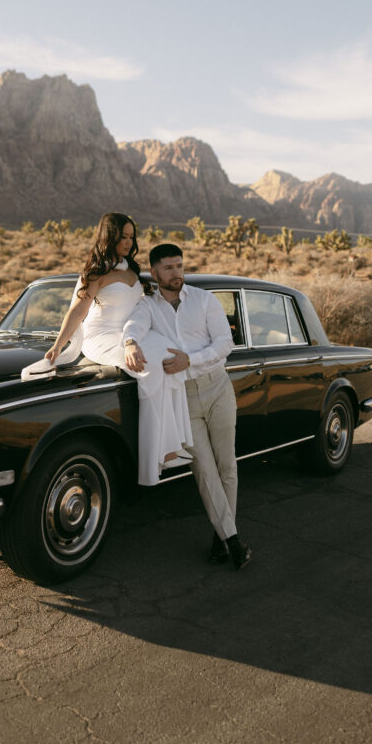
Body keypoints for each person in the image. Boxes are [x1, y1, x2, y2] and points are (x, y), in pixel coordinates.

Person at [122, 243, 252, 570]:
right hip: (183, 398)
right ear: (155, 272)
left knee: (227, 467)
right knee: (203, 471)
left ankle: (221, 535)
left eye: (179, 266)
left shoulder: (204, 300)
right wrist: (129, 343)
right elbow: (131, 328)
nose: (176, 273)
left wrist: (189, 360)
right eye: (168, 268)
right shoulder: (147, 307)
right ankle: (233, 541)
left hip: (218, 387)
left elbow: (225, 344)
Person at [44, 213, 192, 486]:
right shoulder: (96, 273)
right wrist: (57, 345)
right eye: (122, 236)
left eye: (131, 236)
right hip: (101, 337)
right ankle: (154, 455)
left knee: (171, 356)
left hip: (130, 334)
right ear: (109, 237)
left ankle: (173, 443)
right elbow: (77, 312)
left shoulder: (132, 270)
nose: (128, 241)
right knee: (148, 366)